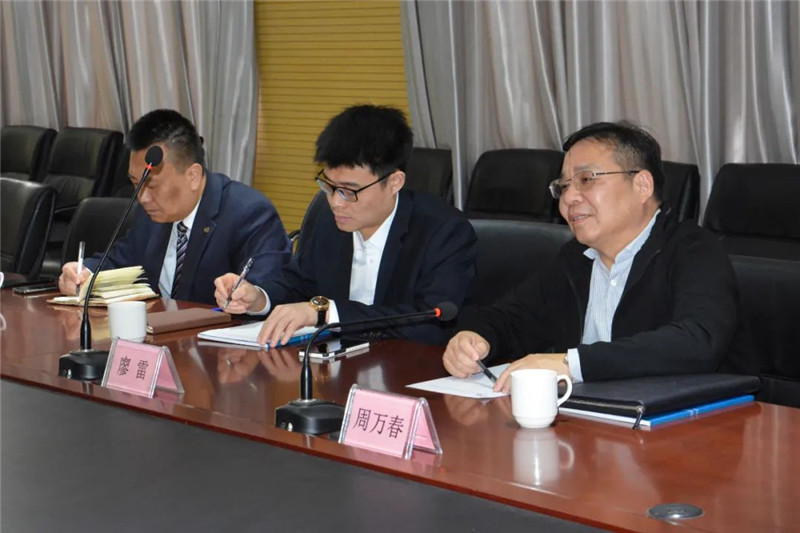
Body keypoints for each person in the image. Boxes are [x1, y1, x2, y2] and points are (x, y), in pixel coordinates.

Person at [443, 121, 746, 392]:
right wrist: (474, 339)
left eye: (586, 179)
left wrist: (571, 364)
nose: (569, 197)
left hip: (686, 424)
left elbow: (698, 340)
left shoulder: (694, 250)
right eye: (563, 186)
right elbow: (511, 319)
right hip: (592, 421)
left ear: (642, 185)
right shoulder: (575, 259)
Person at [215, 104, 477, 346]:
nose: (335, 202)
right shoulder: (326, 220)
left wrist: (326, 313)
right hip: (335, 364)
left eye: (349, 191)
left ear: (394, 182)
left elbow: (431, 322)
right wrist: (258, 297)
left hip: (409, 370)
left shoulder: (444, 231)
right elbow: (299, 284)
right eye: (328, 186)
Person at [58, 109, 291, 305]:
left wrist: (252, 296)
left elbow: (273, 289)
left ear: (193, 176)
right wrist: (84, 273)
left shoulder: (248, 212)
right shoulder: (151, 212)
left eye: (152, 184)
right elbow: (122, 260)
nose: (142, 197)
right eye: (135, 183)